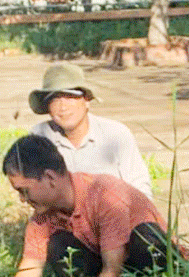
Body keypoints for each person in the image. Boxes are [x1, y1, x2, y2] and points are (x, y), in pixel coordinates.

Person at [0, 135, 178, 277]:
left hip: (153, 269)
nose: (22, 200)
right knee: (59, 245)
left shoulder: (105, 194)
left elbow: (112, 272)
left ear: (49, 177)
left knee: (144, 238)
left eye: (24, 190)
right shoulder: (41, 219)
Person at [28, 63, 153, 197]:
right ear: (47, 107)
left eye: (70, 97)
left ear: (86, 101)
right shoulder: (40, 137)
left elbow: (139, 186)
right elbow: (35, 191)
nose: (63, 107)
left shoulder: (116, 134)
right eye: (54, 100)